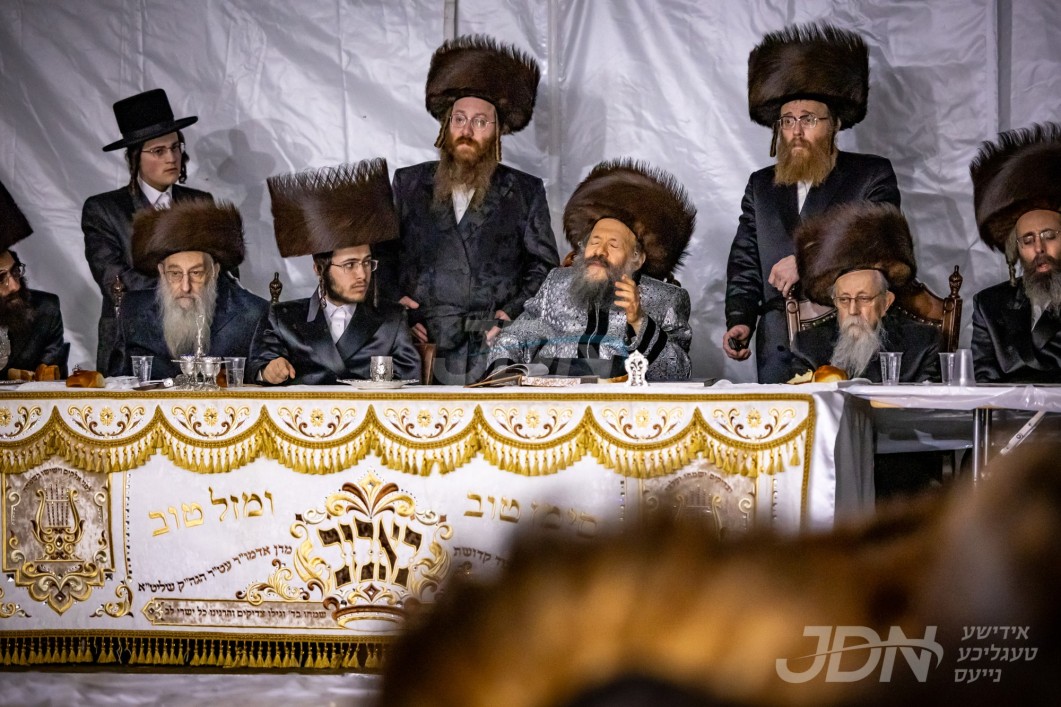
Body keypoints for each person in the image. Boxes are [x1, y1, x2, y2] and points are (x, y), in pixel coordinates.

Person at [723, 23, 901, 383]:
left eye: (808, 119)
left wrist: (808, 263)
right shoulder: (761, 185)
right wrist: (740, 318)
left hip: (845, 339)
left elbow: (881, 245)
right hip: (776, 344)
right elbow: (746, 260)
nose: (796, 131)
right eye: (787, 121)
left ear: (834, 123)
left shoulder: (871, 175)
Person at [382, 35, 559, 384]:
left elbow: (544, 266)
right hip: (420, 344)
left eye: (480, 122)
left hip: (492, 346)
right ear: (446, 126)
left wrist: (512, 314)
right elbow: (381, 256)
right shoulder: (409, 184)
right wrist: (398, 307)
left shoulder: (524, 191)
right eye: (459, 119)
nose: (466, 130)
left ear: (498, 132)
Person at [487, 159, 694, 381]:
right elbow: (517, 335)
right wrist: (502, 375)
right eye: (594, 242)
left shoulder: (666, 299)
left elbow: (679, 371)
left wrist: (639, 321)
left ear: (637, 259)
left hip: (622, 400)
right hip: (554, 396)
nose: (600, 252)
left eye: (613, 245)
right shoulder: (557, 284)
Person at [248, 159, 420, 385]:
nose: (362, 275)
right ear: (319, 269)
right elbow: (257, 366)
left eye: (367, 263)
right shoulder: (283, 317)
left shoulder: (392, 318)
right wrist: (268, 370)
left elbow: (410, 382)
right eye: (349, 265)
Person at [82, 88, 213, 371]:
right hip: (129, 340)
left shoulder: (200, 204)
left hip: (193, 341)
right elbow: (114, 279)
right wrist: (182, 288)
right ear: (134, 158)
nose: (171, 157)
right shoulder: (104, 209)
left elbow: (219, 269)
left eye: (176, 147)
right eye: (158, 151)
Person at [110, 201, 267, 380]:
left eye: (196, 273)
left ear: (214, 271)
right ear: (161, 272)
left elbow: (263, 378)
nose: (185, 287)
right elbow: (116, 383)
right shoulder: (133, 310)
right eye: (175, 274)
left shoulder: (252, 313)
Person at [784, 202, 939, 383]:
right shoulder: (807, 347)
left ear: (886, 302)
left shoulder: (921, 344)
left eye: (863, 298)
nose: (853, 310)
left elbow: (928, 400)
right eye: (844, 299)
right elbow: (801, 398)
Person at [970, 123, 1061, 383]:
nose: (1039, 249)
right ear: (1016, 249)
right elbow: (984, 381)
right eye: (1028, 240)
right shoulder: (989, 305)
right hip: (1002, 410)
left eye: (1049, 236)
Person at [0, 180, 67, 377]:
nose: (14, 286)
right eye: (0, 278)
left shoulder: (45, 311)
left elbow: (49, 382)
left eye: (15, 272)